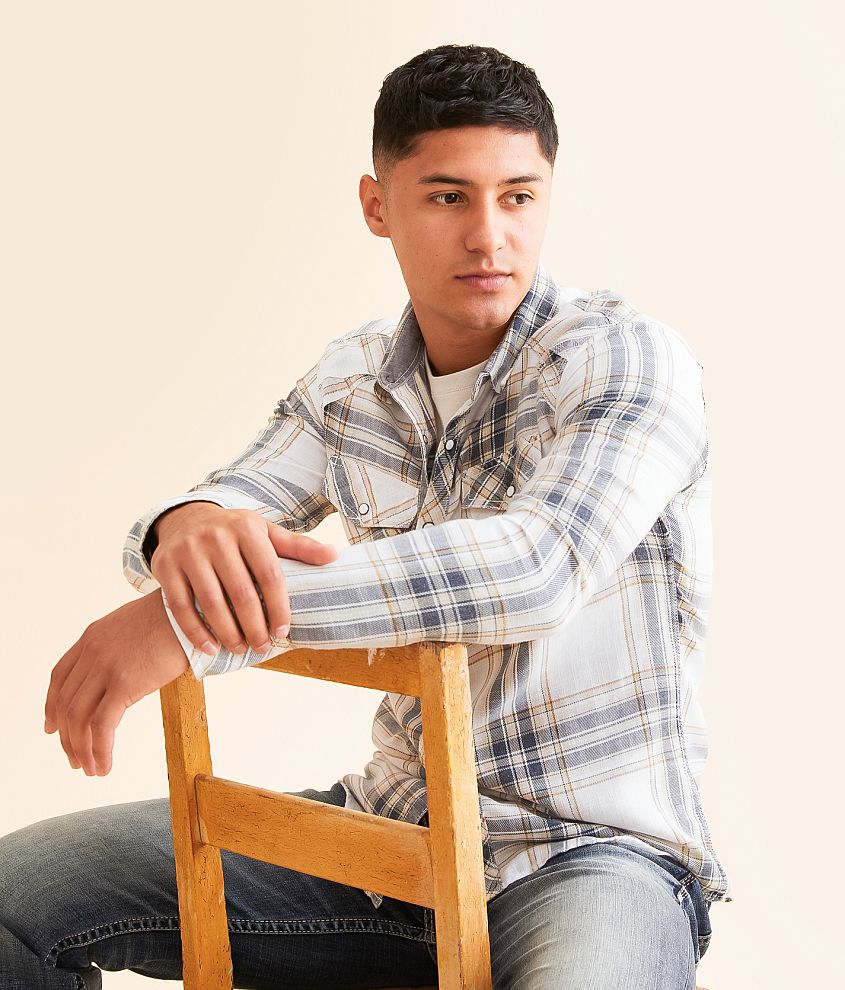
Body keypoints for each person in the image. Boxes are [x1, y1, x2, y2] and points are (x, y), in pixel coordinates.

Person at [0, 42, 730, 989]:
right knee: (15, 896)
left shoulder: (628, 358)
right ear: (376, 205)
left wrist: (184, 626)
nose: (488, 237)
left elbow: (535, 568)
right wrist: (187, 526)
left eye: (517, 196)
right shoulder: (352, 377)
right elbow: (234, 495)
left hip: (587, 855)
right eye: (447, 196)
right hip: (388, 837)